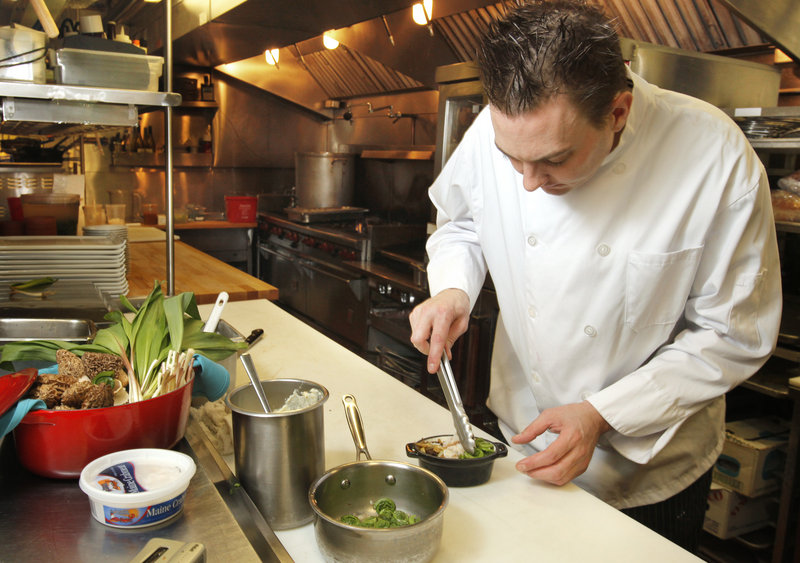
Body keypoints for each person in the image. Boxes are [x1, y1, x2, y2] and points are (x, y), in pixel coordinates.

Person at [408, 0, 782, 552]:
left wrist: (602, 416)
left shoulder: (714, 156)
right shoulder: (499, 123)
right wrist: (454, 289)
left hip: (650, 470)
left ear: (619, 111)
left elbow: (733, 334)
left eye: (554, 161)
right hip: (522, 441)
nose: (529, 182)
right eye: (513, 160)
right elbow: (462, 222)